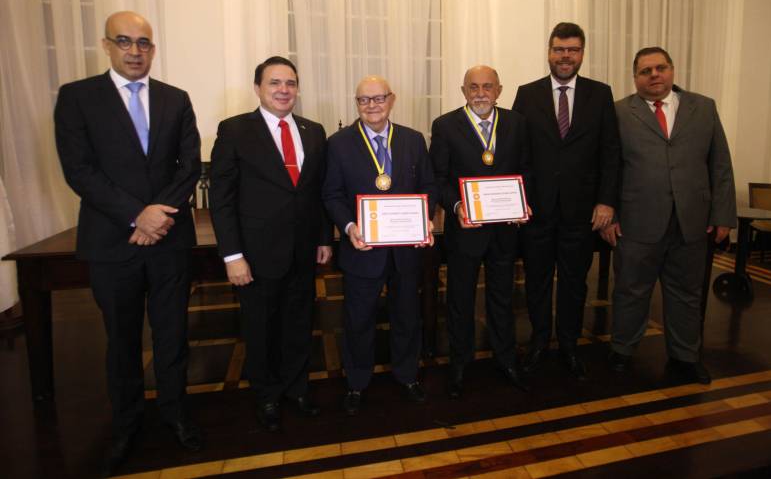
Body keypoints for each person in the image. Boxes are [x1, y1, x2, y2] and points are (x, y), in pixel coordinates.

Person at [54, 11, 202, 475]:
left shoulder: (176, 99)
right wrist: (136, 215)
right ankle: (126, 425)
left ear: (153, 49)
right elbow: (79, 170)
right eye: (125, 41)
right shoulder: (78, 98)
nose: (135, 51)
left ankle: (176, 416)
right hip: (112, 241)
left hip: (170, 240)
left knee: (173, 335)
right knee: (121, 341)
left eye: (143, 43)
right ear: (107, 45)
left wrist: (157, 214)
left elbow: (189, 167)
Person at [209, 56, 332, 431]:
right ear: (258, 88)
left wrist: (324, 237)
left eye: (290, 83)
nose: (284, 90)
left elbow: (317, 192)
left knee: (299, 324)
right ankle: (266, 396)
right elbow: (222, 198)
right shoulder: (234, 130)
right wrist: (233, 255)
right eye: (275, 83)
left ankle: (297, 389)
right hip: (256, 254)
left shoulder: (314, 131)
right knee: (261, 329)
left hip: (303, 250)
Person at [601, 47, 736, 384]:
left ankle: (686, 356)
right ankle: (622, 351)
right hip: (635, 221)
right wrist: (609, 215)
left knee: (687, 294)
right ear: (635, 78)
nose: (654, 75)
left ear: (672, 70)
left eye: (660, 68)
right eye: (645, 71)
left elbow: (720, 165)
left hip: (691, 221)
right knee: (630, 291)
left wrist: (723, 215)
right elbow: (608, 168)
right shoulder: (618, 112)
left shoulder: (703, 108)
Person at [512, 22, 621, 380]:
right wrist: (516, 202)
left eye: (573, 50)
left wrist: (606, 202)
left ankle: (571, 344)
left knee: (575, 282)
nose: (565, 56)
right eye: (559, 49)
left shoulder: (600, 94)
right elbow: (517, 152)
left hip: (581, 213)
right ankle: (540, 341)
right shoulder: (526, 94)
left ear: (582, 54)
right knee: (538, 281)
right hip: (537, 211)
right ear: (548, 51)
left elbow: (610, 152)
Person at [323, 75, 436, 415]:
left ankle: (407, 375)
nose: (371, 105)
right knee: (358, 319)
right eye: (363, 100)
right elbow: (331, 194)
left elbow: (428, 186)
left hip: (405, 251)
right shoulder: (339, 143)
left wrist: (425, 218)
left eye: (378, 98)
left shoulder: (413, 140)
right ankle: (357, 383)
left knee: (407, 316)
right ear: (356, 103)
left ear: (392, 99)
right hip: (362, 249)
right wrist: (349, 226)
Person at [429, 65, 530, 399]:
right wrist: (458, 207)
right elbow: (439, 179)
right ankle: (459, 362)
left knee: (503, 297)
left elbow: (525, 170)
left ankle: (506, 358)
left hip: (504, 230)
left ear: (499, 90)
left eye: (488, 86)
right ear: (463, 90)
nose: (481, 93)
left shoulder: (516, 123)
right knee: (460, 299)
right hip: (465, 231)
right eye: (474, 87)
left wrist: (522, 202)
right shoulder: (445, 126)